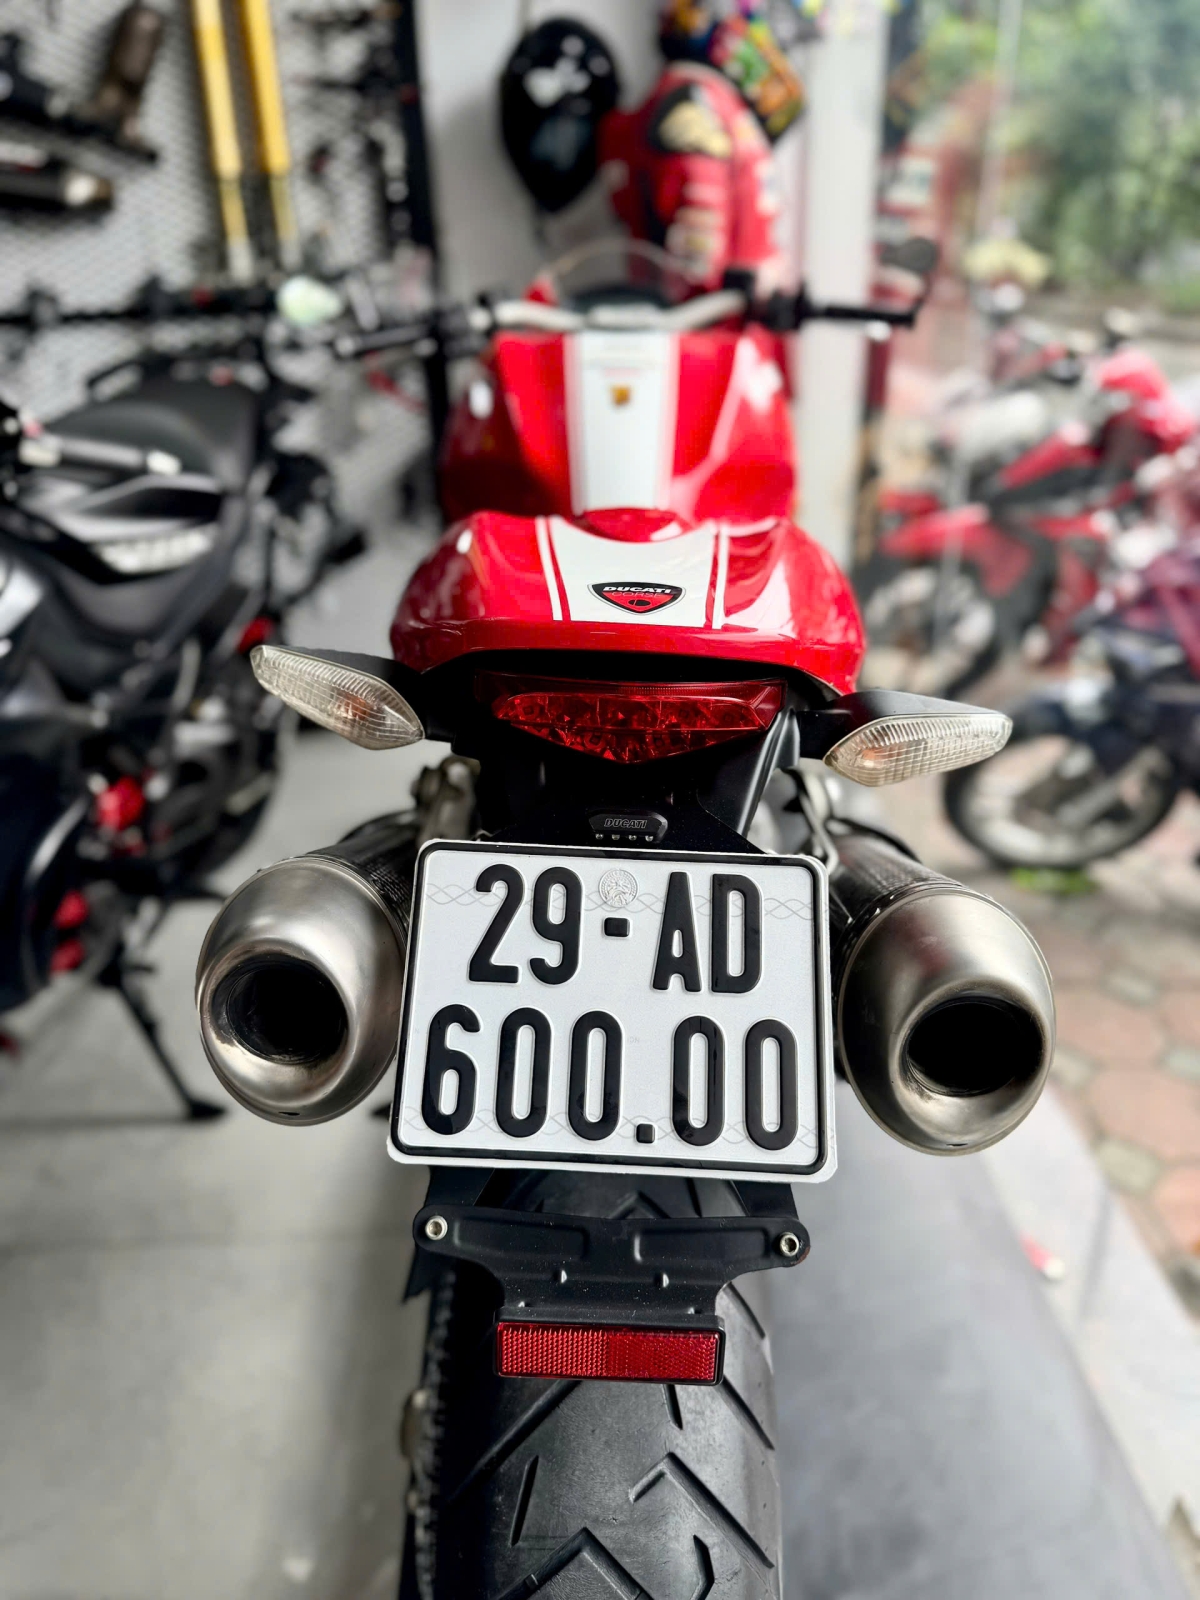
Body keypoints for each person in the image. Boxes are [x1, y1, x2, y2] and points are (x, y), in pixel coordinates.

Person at [597, 1, 804, 294]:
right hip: (716, 315)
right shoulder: (691, 102)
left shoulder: (713, 97)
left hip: (738, 311)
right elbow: (698, 267)